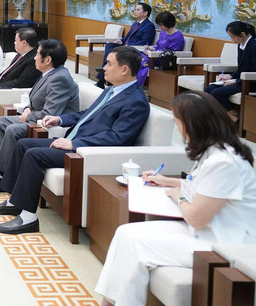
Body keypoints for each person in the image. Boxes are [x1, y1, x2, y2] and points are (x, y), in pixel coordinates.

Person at [95, 90, 256, 306]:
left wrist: (179, 197)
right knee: (125, 233)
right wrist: (167, 181)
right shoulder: (215, 151)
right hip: (207, 232)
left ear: (193, 124)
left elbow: (196, 218)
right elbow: (205, 188)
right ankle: (110, 302)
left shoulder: (224, 163)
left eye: (178, 122)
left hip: (221, 243)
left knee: (135, 243)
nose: (178, 129)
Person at [0, 46, 149, 234]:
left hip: (86, 151)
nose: (104, 68)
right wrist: (60, 119)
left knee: (34, 155)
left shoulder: (135, 101)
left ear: (124, 69)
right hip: (75, 140)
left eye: (109, 63)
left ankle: (29, 218)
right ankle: (15, 201)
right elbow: (88, 114)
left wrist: (75, 144)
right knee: (23, 144)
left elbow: (118, 138)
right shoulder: (112, 90)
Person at [0, 39, 80, 191]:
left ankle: (2, 178)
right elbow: (37, 100)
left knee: (13, 129)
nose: (34, 57)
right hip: (37, 118)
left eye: (37, 54)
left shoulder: (60, 78)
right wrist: (28, 109)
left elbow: (51, 113)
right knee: (1, 121)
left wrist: (28, 116)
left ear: (47, 59)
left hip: (49, 126)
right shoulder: (49, 73)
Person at [205, 20, 256, 121]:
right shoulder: (241, 45)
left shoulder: (254, 46)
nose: (231, 39)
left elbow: (253, 71)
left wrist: (235, 81)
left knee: (217, 92)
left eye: (233, 37)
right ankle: (223, 114)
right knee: (208, 89)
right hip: (241, 80)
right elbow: (241, 68)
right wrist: (230, 76)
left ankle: (233, 113)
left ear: (243, 34)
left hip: (250, 82)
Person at [96, 2, 155, 88]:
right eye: (135, 9)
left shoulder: (149, 26)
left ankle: (102, 77)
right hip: (125, 47)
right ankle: (106, 64)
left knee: (113, 53)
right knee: (109, 45)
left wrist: (128, 46)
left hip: (133, 50)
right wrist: (120, 41)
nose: (135, 12)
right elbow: (127, 38)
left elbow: (144, 42)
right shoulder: (135, 24)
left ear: (145, 13)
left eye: (138, 10)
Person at [136, 11, 185, 85]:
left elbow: (171, 52)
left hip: (163, 59)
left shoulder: (177, 36)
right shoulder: (163, 32)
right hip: (154, 55)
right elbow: (158, 46)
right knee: (134, 57)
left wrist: (153, 53)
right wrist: (151, 49)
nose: (160, 27)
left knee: (140, 61)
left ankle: (137, 84)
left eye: (161, 25)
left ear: (168, 24)